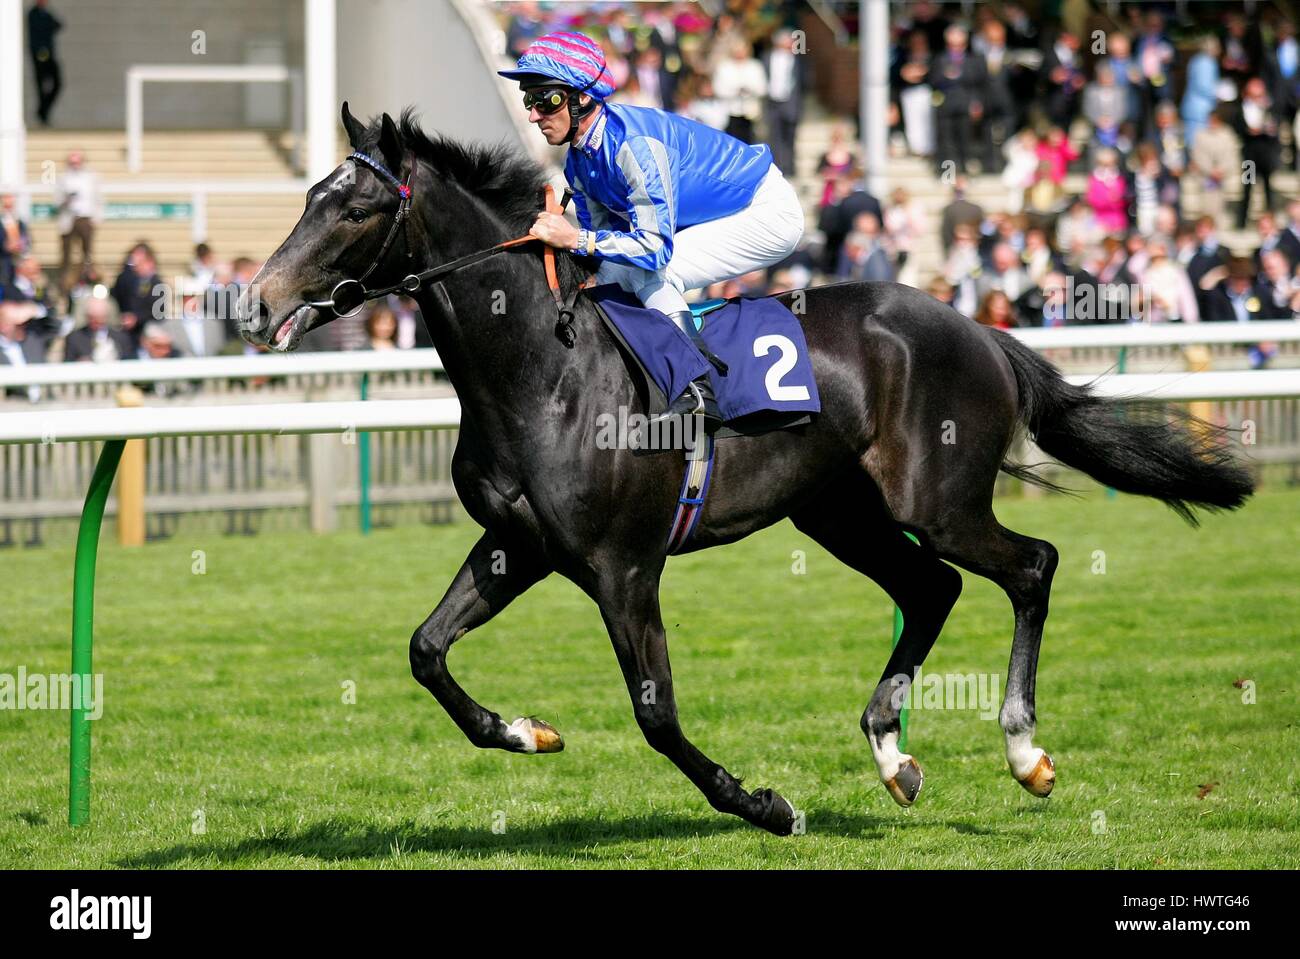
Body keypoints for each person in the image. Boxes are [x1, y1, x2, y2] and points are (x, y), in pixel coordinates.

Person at [500, 31, 804, 430]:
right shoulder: (578, 161)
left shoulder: (634, 147)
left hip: (764, 210)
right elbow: (604, 258)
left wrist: (573, 237)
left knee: (653, 271)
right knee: (610, 278)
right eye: (530, 100)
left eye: (547, 100)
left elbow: (653, 249)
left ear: (583, 98)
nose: (534, 114)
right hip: (711, 215)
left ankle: (695, 391)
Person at [54, 150, 101, 293]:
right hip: (69, 219)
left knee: (87, 253)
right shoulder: (63, 179)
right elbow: (56, 201)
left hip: (85, 218)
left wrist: (96, 218)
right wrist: (66, 199)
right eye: (72, 162)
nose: (75, 165)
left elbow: (98, 199)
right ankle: (64, 284)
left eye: (77, 162)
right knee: (66, 254)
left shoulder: (91, 178)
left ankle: (88, 278)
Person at [27, 0, 62, 126]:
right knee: (42, 83)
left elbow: (59, 24)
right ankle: (43, 115)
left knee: (57, 83)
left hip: (49, 53)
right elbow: (41, 29)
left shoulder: (47, 14)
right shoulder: (33, 14)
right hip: (40, 54)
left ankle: (43, 110)